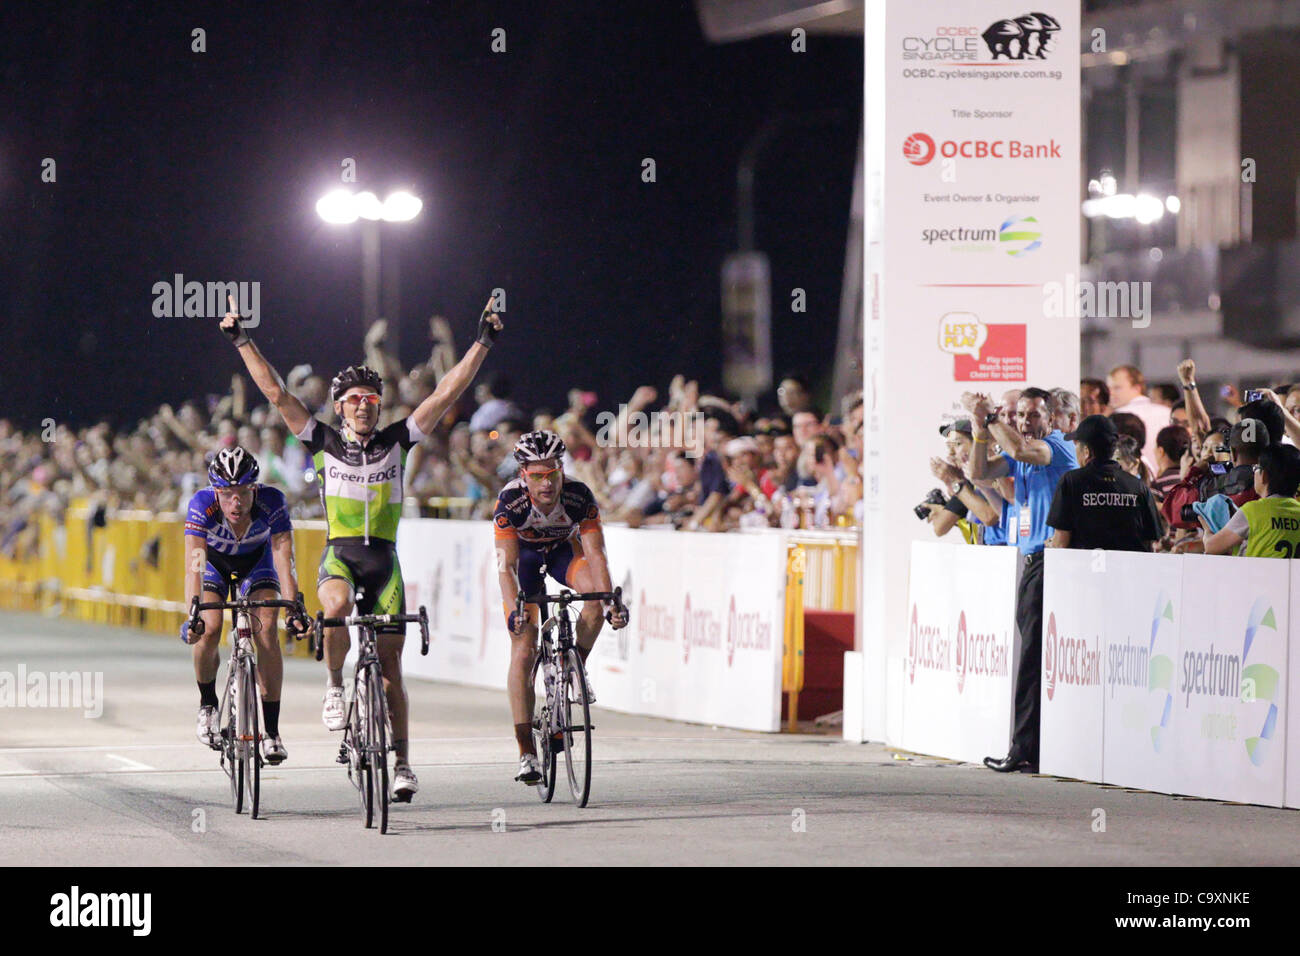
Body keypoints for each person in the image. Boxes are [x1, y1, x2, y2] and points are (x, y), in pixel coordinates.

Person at [220, 293, 504, 802]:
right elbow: (278, 394)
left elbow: (446, 390)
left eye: (370, 399)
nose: (363, 406)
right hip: (342, 556)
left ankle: (402, 764)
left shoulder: (399, 438)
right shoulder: (323, 442)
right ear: (339, 407)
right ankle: (334, 684)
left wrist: (482, 341)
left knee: (391, 671)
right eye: (353, 400)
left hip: (385, 562)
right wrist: (243, 339)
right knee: (336, 606)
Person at [494, 431, 629, 785]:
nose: (546, 482)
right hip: (523, 560)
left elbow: (596, 554)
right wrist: (514, 610)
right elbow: (505, 567)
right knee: (523, 646)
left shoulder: (578, 495)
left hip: (561, 553)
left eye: (552, 472)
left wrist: (609, 599)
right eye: (537, 475)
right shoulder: (510, 501)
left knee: (595, 604)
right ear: (523, 474)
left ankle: (571, 670)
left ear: (561, 469)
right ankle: (525, 752)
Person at [963, 387, 1077, 773]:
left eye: (1033, 415)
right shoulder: (1019, 453)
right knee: (1033, 655)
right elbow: (978, 473)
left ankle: (1023, 748)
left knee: (1031, 659)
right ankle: (1034, 745)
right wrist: (980, 429)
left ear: (1052, 418)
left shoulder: (1055, 448)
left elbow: (1021, 451)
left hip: (1051, 561)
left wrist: (991, 419)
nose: (1026, 423)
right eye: (1021, 416)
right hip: (1033, 560)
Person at [181, 446, 309, 764]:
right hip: (216, 565)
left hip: (258, 563)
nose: (235, 503)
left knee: (265, 631)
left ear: (255, 488)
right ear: (215, 492)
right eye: (226, 494)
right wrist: (193, 612)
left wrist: (293, 605)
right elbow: (194, 565)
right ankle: (208, 704)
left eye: (242, 493)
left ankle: (272, 733)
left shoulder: (273, 501)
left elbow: (283, 557)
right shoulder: (201, 505)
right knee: (209, 629)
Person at [1046, 415, 1162, 553]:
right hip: (1128, 572)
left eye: (1076, 445)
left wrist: (1051, 546)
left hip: (1084, 570)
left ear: (1087, 451)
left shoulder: (1071, 481)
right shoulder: (1139, 487)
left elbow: (1061, 543)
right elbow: (1151, 543)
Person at [1204, 444, 1300, 557]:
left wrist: (1207, 530)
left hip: (1254, 574)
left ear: (1264, 476)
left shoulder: (1253, 511)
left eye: (1256, 468)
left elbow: (1211, 547)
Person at [1107, 364, 1170, 472]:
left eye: (1117, 388)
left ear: (1137, 388)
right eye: (1109, 389)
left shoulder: (1118, 418)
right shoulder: (1167, 412)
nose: (1111, 393)